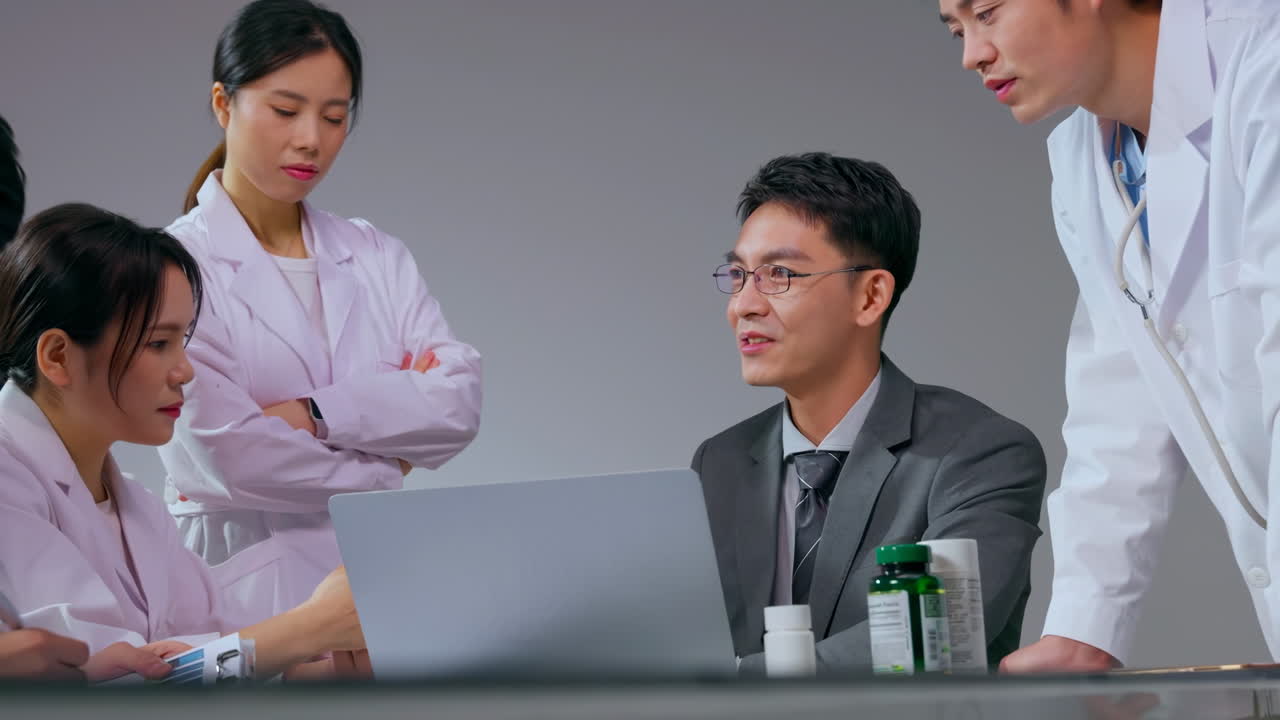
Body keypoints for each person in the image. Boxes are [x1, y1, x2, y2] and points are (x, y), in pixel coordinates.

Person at [937, 0, 1280, 671]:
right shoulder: (1083, 158)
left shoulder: (1264, 65)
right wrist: (1084, 628)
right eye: (955, 29)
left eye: (987, 13)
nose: (971, 53)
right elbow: (1120, 397)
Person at [161, 0, 483, 627]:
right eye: (286, 111)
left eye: (334, 117)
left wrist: (313, 414)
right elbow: (226, 455)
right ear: (225, 104)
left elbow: (458, 403)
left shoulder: (373, 253)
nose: (312, 138)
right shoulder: (172, 265)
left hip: (376, 580)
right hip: (241, 591)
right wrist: (389, 458)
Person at [692, 152, 1046, 674]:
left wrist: (737, 683)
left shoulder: (980, 452)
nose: (744, 304)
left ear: (871, 295)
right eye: (739, 275)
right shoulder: (718, 462)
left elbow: (940, 636)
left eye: (780, 274)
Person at [0, 203, 365, 681]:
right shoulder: (9, 485)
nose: (185, 371)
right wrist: (308, 628)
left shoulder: (137, 506)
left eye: (183, 342)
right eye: (158, 344)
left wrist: (340, 663)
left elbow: (224, 655)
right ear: (57, 356)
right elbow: (110, 682)